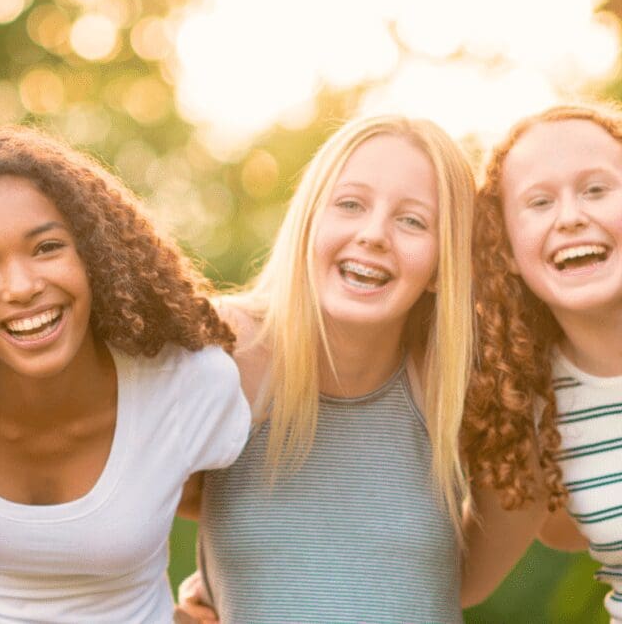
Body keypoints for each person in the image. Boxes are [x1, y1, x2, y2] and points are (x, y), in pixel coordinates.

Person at [0, 124, 251, 622]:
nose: (21, 287)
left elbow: (238, 519)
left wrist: (216, 595)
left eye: (47, 247)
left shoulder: (188, 386)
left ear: (94, 254)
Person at [175, 115, 476, 622]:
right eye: (350, 204)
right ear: (309, 222)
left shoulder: (458, 378)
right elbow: (125, 512)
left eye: (413, 221)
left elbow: (457, 575)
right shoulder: (224, 351)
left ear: (442, 267)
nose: (374, 234)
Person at [463, 102, 622, 622]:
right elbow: (456, 580)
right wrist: (229, 577)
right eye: (539, 202)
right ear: (505, 247)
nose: (572, 216)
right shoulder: (526, 411)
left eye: (597, 189)